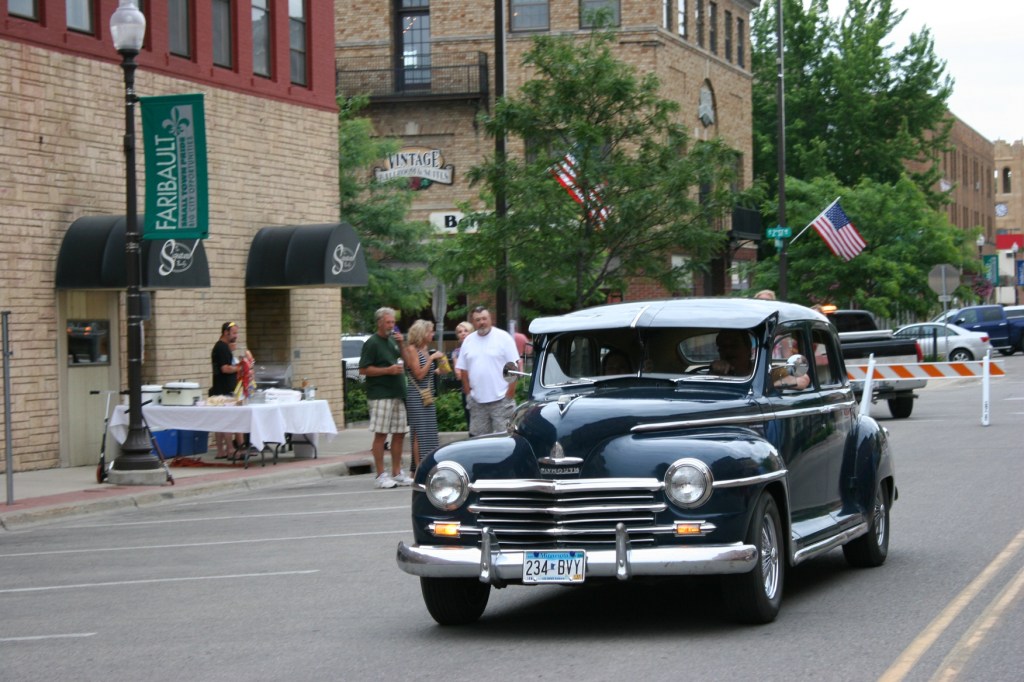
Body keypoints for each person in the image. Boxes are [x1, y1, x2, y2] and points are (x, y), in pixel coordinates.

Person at [359, 307, 412, 489]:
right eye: (388, 322)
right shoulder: (372, 343)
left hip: (397, 393)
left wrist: (402, 344)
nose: (392, 326)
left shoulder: (393, 340)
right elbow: (363, 369)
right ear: (380, 322)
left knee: (399, 433)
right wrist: (387, 371)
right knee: (381, 434)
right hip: (380, 394)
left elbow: (406, 362)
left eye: (393, 322)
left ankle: (397, 472)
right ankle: (381, 475)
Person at [456, 306, 521, 437]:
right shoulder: (468, 341)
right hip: (477, 403)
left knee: (508, 438)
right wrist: (469, 394)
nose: (482, 322)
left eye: (484, 318)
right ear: (473, 322)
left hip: (502, 401)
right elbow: (463, 370)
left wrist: (509, 395)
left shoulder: (504, 338)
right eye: (478, 319)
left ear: (490, 319)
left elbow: (514, 368)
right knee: (478, 442)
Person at [403, 319, 449, 473]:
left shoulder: (424, 349)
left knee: (429, 430)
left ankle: (428, 465)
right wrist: (431, 359)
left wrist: (441, 368)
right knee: (418, 431)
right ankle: (417, 469)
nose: (433, 334)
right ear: (422, 333)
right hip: (416, 395)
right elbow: (418, 374)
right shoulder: (411, 349)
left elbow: (428, 373)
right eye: (430, 331)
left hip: (427, 394)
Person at [209, 322, 249, 459]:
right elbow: (225, 368)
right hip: (226, 390)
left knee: (220, 421)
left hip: (219, 389)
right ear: (226, 332)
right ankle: (232, 450)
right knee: (230, 420)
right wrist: (240, 368)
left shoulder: (222, 348)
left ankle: (221, 451)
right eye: (234, 333)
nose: (236, 336)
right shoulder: (221, 348)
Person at [450, 320, 474, 430]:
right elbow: (459, 374)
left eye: (466, 330)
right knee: (471, 422)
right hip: (467, 390)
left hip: (484, 389)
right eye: (460, 332)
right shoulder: (456, 352)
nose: (463, 333)